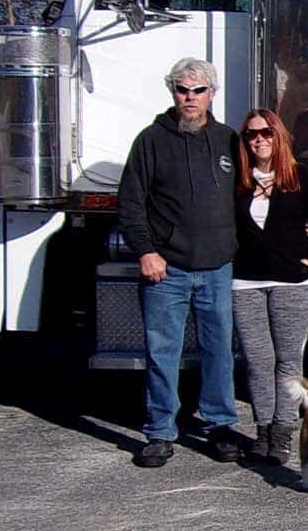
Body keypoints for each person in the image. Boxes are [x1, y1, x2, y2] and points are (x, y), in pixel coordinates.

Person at [117, 57, 243, 468]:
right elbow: (131, 203)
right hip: (165, 270)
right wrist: (146, 251)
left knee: (219, 351)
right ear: (172, 92)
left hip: (217, 268)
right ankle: (159, 432)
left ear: (212, 94)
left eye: (198, 90)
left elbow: (247, 197)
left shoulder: (227, 140)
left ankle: (219, 425)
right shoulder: (151, 140)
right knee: (162, 352)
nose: (190, 98)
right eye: (182, 90)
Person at [231, 108, 308, 465]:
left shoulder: (302, 176)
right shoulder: (238, 181)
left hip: (295, 284)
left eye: (265, 133)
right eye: (250, 134)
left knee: (288, 361)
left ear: (278, 136)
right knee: (258, 360)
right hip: (246, 283)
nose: (258, 139)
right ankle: (263, 430)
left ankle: (283, 432)